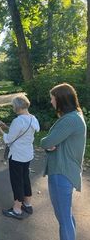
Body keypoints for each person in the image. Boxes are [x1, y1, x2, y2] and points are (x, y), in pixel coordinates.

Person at [40, 83, 86, 240]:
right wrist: (50, 145)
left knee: (64, 219)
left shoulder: (70, 120)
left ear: (61, 100)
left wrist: (46, 144)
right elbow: (54, 143)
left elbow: (46, 142)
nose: (51, 102)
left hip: (62, 173)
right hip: (66, 172)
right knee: (66, 216)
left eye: (52, 98)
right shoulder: (74, 116)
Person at [0, 95, 40, 220]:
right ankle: (27, 204)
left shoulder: (18, 120)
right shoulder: (33, 118)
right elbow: (22, 132)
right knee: (25, 178)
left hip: (17, 155)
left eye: (13, 106)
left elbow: (8, 140)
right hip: (27, 154)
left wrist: (0, 130)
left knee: (17, 181)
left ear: (17, 107)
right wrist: (6, 127)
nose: (13, 108)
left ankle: (17, 209)